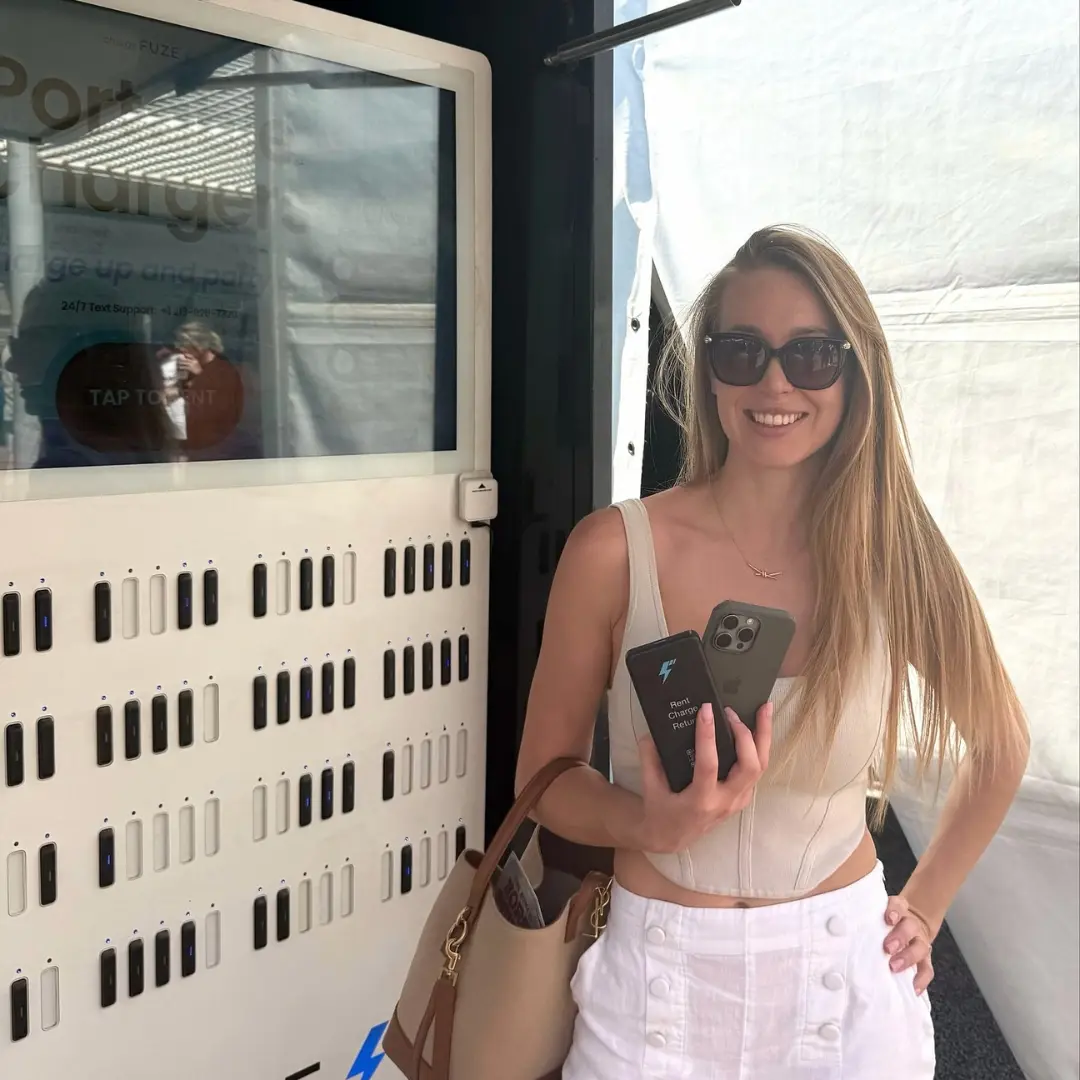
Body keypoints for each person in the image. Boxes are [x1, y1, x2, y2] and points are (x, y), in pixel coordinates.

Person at [515, 225, 1030, 1079]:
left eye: (813, 355)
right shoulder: (612, 551)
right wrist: (646, 822)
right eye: (741, 350)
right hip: (657, 983)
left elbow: (1001, 743)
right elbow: (545, 780)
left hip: (845, 979)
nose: (776, 382)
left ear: (855, 370)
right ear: (708, 368)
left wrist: (927, 906)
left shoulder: (894, 555)